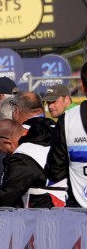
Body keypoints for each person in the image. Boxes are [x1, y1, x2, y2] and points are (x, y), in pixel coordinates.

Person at [0, 119, 54, 212]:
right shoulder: (45, 141)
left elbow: (8, 193)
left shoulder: (22, 158)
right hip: (58, 208)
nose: (1, 153)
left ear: (8, 143)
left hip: (47, 212)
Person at [46, 62, 87, 208]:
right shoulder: (67, 119)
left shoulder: (68, 119)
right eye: (48, 102)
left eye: (54, 101)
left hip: (80, 208)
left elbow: (55, 170)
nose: (50, 106)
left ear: (82, 86)